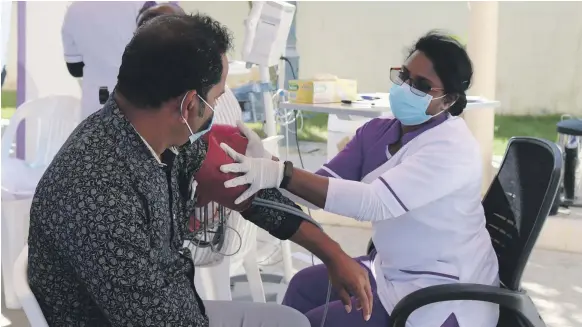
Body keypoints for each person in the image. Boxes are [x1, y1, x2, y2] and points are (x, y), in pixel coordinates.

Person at [27, 13, 372, 327]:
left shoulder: (158, 137)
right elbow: (151, 318)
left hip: (178, 307)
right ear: (189, 104)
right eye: (218, 96)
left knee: (289, 321)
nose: (218, 109)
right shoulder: (96, 192)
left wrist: (333, 253)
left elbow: (242, 185)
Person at [219, 31, 500, 327]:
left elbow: (374, 203)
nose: (406, 88)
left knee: (314, 323)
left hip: (438, 291)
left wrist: (280, 174)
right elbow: (314, 187)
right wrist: (267, 162)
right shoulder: (379, 132)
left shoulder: (451, 148)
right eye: (404, 76)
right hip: (391, 271)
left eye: (421, 86)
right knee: (302, 288)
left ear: (448, 100)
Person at [61, 1, 155, 119]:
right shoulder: (143, 5)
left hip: (94, 106)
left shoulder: (74, 9)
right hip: (136, 104)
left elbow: (75, 69)